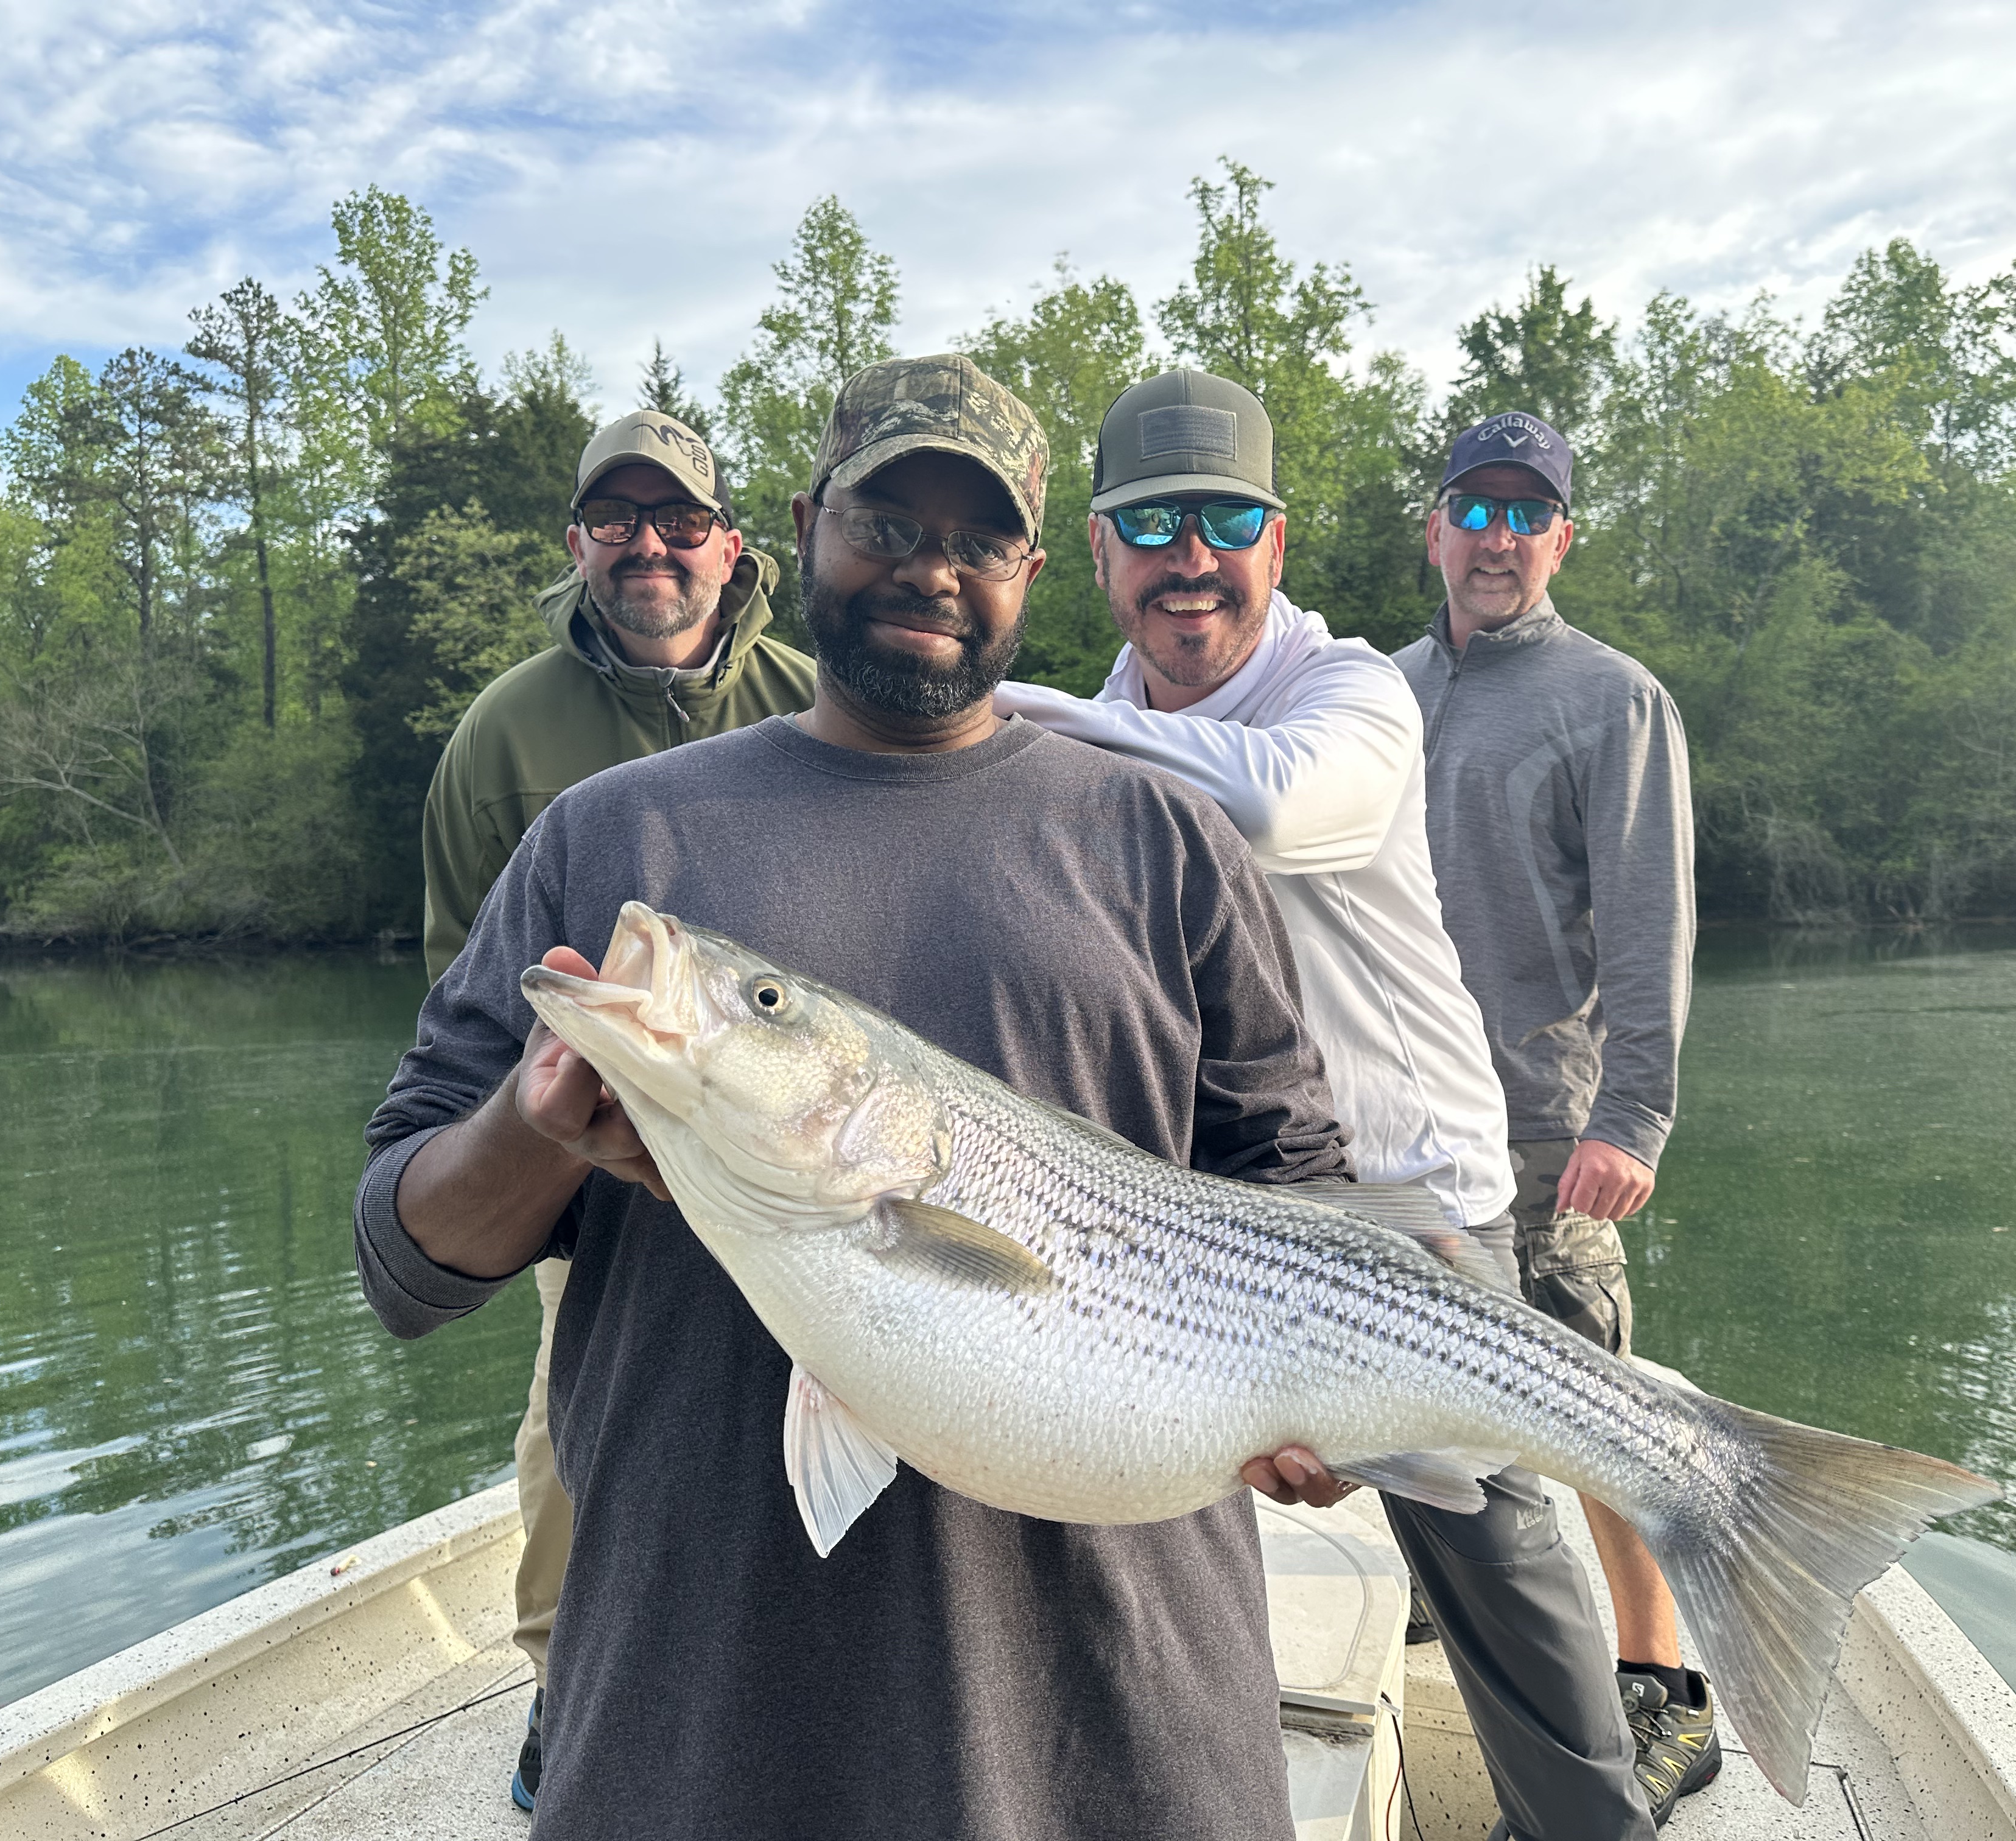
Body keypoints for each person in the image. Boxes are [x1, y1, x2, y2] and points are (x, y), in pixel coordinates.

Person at [355, 356, 1350, 1840]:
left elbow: (1300, 1178)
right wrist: (533, 1129)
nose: (930, 570)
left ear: (1032, 569)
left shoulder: (1169, 840)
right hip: (700, 1717)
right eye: (886, 524)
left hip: (1125, 1720)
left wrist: (1334, 1392)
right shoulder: (610, 843)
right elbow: (403, 1263)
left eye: (978, 538)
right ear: (806, 527)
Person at [998, 371, 1655, 1841]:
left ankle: (1591, 1825)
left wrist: (1006, 717)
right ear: (1096, 554)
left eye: (1226, 524)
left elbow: (1278, 808)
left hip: (1415, 1207)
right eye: (1149, 525)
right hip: (1211, 1227)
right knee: (1147, 1532)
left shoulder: (1349, 693)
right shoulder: (1098, 726)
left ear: (1277, 544)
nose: (1190, 559)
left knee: (1489, 1545)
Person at [415, 408, 816, 1809]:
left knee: (814, 1402)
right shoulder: (502, 734)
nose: (651, 544)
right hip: (600, 1170)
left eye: (681, 518)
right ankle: (564, 1683)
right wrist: (542, 1154)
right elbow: (461, 991)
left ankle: (796, 1670)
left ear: (733, 545)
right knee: (573, 1421)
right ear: (578, 542)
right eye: (618, 518)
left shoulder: (815, 698)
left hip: (800, 1157)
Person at [1394, 412, 1715, 1824]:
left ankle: (1664, 1687)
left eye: (1529, 514)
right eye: (1476, 508)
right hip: (1399, 1126)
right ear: (1436, 528)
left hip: (1543, 1129)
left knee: (1596, 1408)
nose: (1499, 537)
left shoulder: (1614, 698)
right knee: (1420, 1382)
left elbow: (1651, 921)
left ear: (1563, 540)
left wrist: (1631, 1116)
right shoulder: (1378, 691)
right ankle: (1453, 1591)